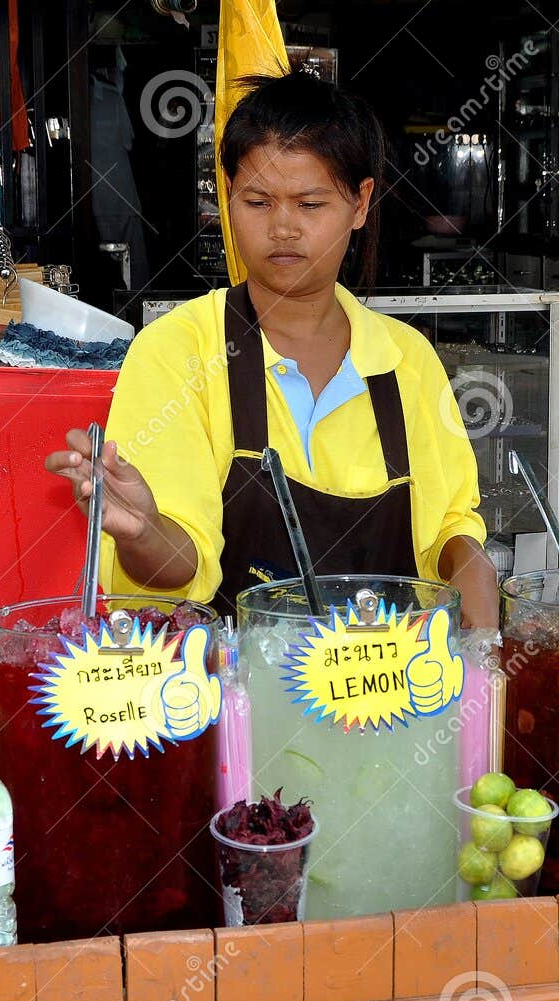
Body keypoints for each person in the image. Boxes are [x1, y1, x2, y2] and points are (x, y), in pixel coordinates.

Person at [46, 72, 497, 627]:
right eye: (257, 201)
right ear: (229, 194)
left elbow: (452, 532)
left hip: (385, 693)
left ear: (360, 203)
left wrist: (483, 650)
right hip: (231, 696)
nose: (283, 228)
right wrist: (143, 531)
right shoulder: (179, 350)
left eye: (310, 204)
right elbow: (177, 571)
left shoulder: (408, 361)